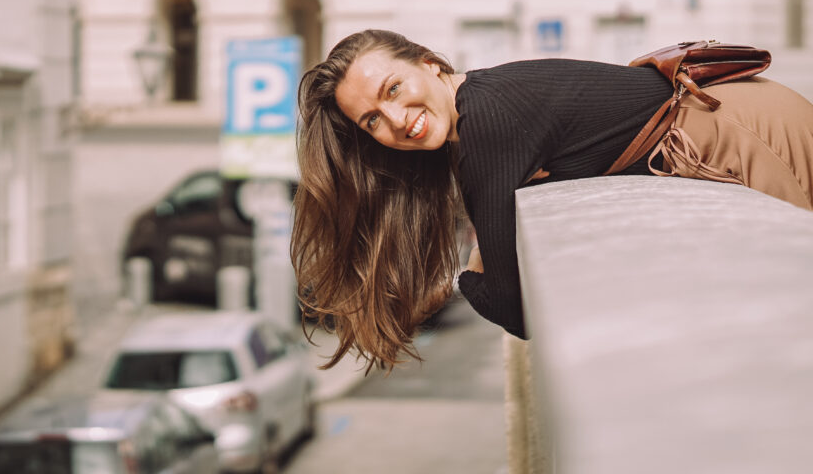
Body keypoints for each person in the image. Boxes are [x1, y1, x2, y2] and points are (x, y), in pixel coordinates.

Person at [291, 29, 813, 371]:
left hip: (744, 130)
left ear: (428, 64)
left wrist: (467, 279)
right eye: (373, 122)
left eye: (393, 88)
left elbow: (517, 309)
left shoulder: (486, 123)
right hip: (741, 117)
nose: (398, 118)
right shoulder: (482, 110)